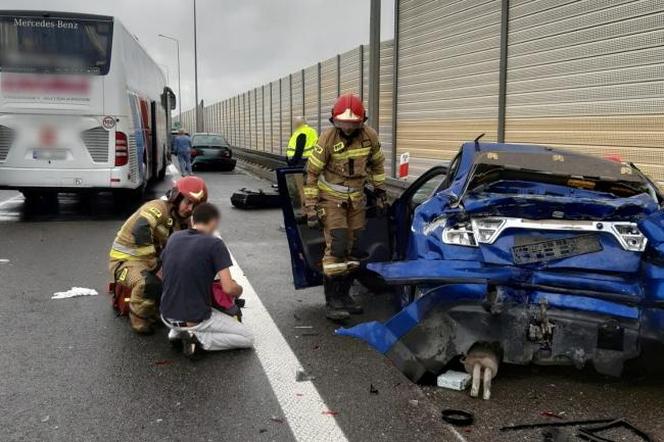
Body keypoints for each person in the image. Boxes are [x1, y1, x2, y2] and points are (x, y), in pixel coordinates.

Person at [303, 93, 387, 321]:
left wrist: (380, 192)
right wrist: (310, 209)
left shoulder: (369, 137)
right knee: (337, 247)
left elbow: (378, 165)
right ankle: (332, 301)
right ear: (335, 121)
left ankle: (345, 295)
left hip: (357, 202)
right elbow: (311, 174)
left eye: (352, 124)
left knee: (355, 249)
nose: (348, 128)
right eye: (343, 123)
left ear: (361, 122)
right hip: (332, 201)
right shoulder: (327, 139)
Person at [108, 176, 208, 334]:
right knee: (148, 284)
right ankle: (139, 318)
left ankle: (157, 308)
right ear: (176, 197)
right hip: (125, 262)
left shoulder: (183, 221)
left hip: (151, 262)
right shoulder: (157, 207)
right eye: (188, 202)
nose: (190, 209)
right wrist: (156, 265)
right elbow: (141, 228)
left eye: (195, 206)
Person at [160, 202, 254, 357]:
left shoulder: (174, 237)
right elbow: (228, 288)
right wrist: (239, 290)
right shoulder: (215, 244)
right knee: (247, 338)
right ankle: (200, 340)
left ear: (192, 221)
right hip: (194, 319)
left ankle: (176, 333)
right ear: (214, 222)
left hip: (167, 316)